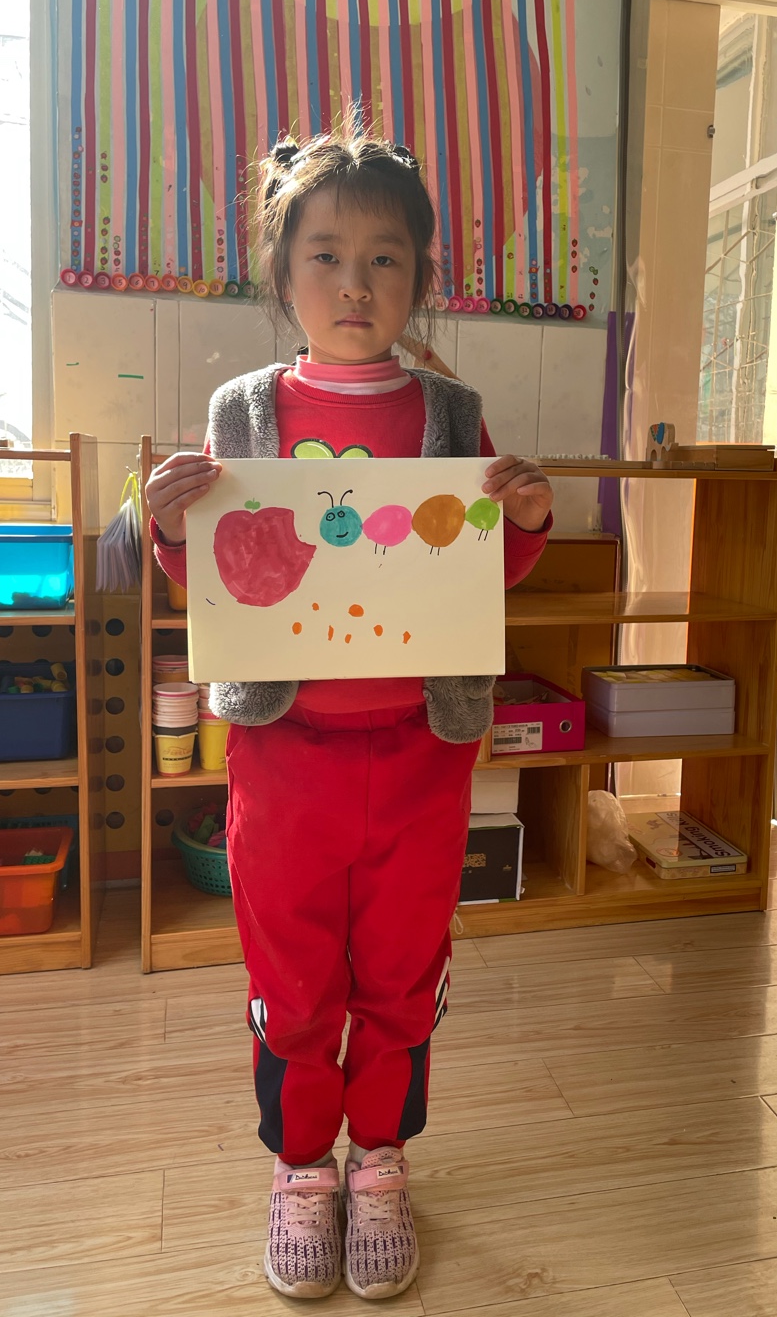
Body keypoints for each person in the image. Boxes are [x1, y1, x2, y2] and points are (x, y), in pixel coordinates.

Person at [145, 130, 553, 1302]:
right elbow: (222, 577)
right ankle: (301, 1167)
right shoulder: (243, 412)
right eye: (325, 255)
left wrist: (524, 521)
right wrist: (171, 528)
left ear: (421, 276)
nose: (355, 283)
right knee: (293, 975)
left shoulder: (452, 413)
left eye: (385, 257)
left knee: (403, 970)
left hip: (423, 753)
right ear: (282, 274)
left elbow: (474, 573)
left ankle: (380, 1159)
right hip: (285, 757)